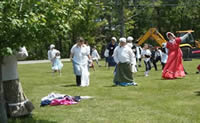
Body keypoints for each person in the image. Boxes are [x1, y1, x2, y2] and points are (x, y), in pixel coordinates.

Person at [1, 46, 34, 117]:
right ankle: (19, 112)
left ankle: (9, 113)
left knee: (10, 95)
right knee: (15, 95)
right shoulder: (13, 44)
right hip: (11, 75)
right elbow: (24, 54)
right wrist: (20, 47)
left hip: (9, 75)